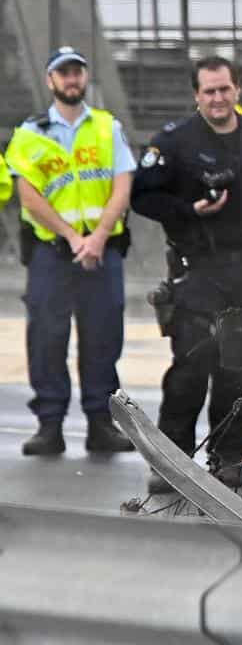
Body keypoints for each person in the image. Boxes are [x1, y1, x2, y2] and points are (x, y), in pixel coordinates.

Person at [132, 55, 242, 492]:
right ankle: (171, 461)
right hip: (197, 270)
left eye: (224, 89)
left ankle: (227, 458)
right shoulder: (175, 142)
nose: (218, 98)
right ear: (196, 96)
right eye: (209, 91)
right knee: (190, 367)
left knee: (239, 371)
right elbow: (142, 197)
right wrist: (188, 210)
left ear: (237, 89)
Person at [2, 46, 136, 456]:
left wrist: (95, 238)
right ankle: (50, 426)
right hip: (53, 253)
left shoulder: (106, 127)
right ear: (50, 81)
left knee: (103, 338)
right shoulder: (30, 134)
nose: (71, 79)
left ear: (85, 77)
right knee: (46, 338)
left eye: (77, 72)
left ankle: (101, 425)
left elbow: (122, 184)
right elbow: (29, 197)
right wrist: (73, 237)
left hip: (102, 251)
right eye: (63, 73)